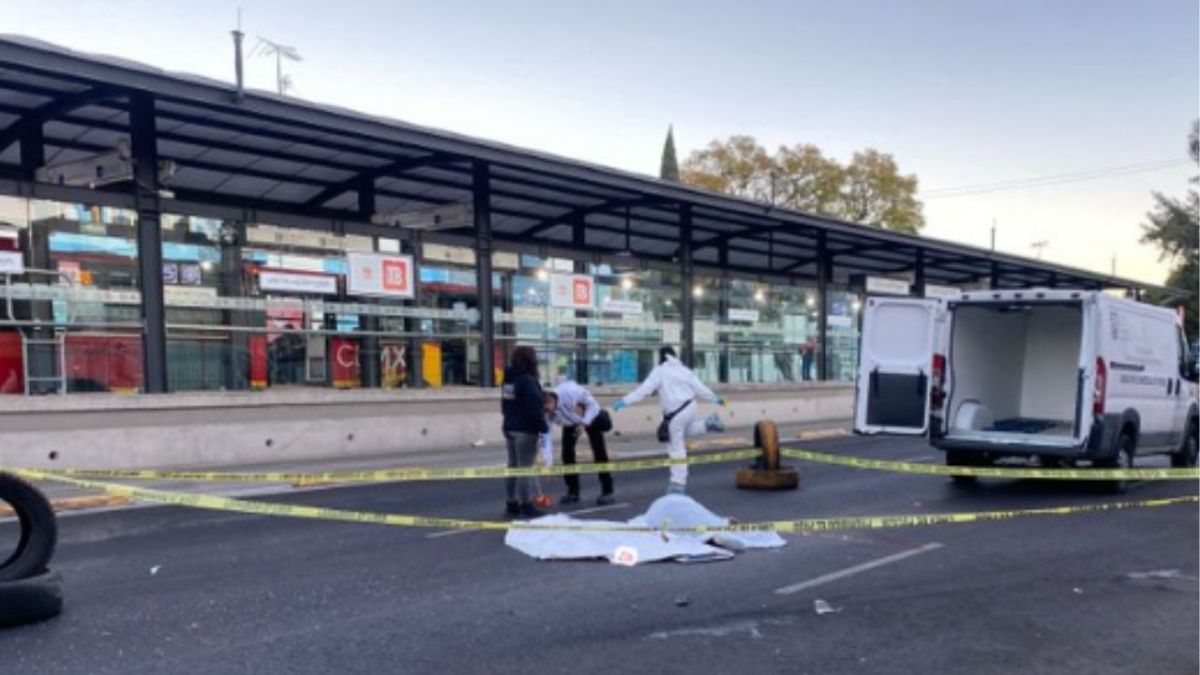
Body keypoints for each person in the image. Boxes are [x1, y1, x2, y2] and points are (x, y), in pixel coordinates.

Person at [612, 346, 725, 494]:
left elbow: (643, 391)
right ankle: (707, 424)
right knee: (686, 430)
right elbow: (700, 388)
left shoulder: (659, 371)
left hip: (676, 413)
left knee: (675, 447)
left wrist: (624, 402)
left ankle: (678, 485)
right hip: (690, 407)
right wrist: (716, 399)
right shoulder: (684, 370)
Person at [542, 380, 615, 506]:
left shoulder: (570, 391)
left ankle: (608, 491)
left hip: (591, 417)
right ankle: (573, 491)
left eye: (547, 409)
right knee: (567, 454)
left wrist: (585, 423)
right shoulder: (548, 412)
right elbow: (546, 435)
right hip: (570, 423)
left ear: (551, 401)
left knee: (599, 452)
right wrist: (548, 463)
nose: (547, 413)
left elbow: (593, 405)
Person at [501, 346, 549, 518]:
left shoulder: (509, 379)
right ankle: (526, 504)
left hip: (510, 427)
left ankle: (511, 502)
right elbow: (534, 407)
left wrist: (506, 423)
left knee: (512, 466)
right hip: (525, 429)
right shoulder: (528, 380)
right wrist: (543, 428)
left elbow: (505, 404)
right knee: (525, 468)